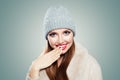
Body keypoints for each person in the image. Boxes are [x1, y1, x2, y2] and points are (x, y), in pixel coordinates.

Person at [26, 6, 103, 80]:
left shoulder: (90, 66)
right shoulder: (39, 65)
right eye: (53, 34)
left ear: (73, 34)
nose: (60, 41)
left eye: (66, 33)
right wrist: (34, 68)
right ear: (47, 38)